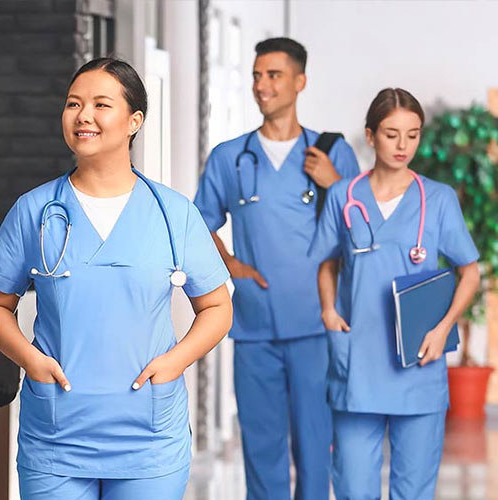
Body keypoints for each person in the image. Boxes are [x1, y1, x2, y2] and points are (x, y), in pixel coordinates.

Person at [0, 57, 232, 500]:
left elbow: (217, 306)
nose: (83, 116)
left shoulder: (173, 214)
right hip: (56, 436)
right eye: (73, 104)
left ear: (135, 120)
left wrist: (174, 362)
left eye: (100, 104)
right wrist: (31, 361)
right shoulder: (35, 210)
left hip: (148, 437)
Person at [193, 37, 360, 499]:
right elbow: (199, 222)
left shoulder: (331, 153)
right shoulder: (231, 157)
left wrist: (336, 184)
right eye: (257, 75)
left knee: (316, 445)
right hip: (255, 327)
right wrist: (230, 265)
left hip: (316, 325)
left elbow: (364, 230)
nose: (262, 86)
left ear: (299, 81)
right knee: (262, 447)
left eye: (274, 75)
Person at [309, 88, 479, 499]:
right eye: (391, 134)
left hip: (419, 361)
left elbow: (469, 271)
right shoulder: (344, 196)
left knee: (414, 489)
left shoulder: (436, 199)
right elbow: (327, 261)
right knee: (352, 485)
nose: (403, 146)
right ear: (370, 136)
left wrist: (443, 329)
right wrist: (329, 311)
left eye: (413, 134)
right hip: (358, 361)